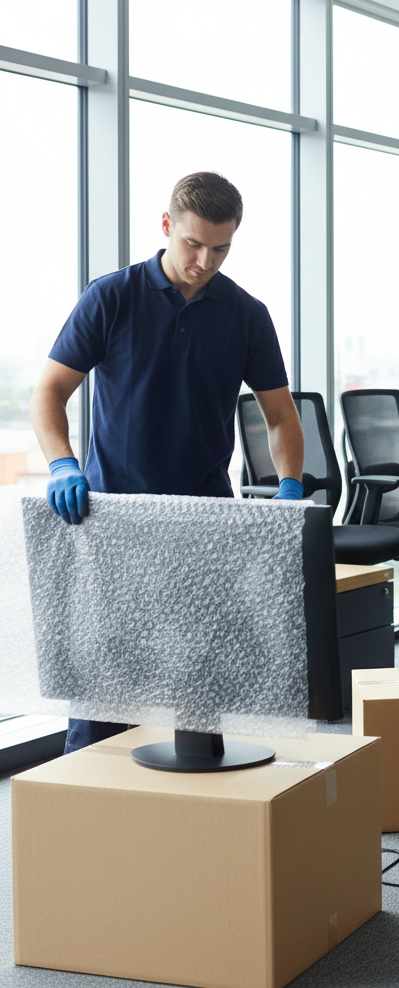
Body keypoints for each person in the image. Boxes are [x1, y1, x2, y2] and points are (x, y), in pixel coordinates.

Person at [29, 171, 305, 752]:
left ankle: (196, 820)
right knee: (102, 683)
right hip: (112, 521)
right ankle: (89, 813)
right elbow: (50, 391)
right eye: (193, 244)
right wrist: (62, 463)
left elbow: (279, 416)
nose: (206, 261)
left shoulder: (246, 314)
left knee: (200, 685)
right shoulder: (111, 296)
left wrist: (288, 485)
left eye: (221, 248)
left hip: (201, 521)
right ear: (166, 227)